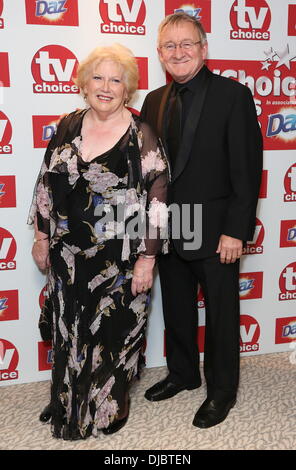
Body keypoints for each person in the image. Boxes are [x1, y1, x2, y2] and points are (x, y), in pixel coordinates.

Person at [28, 43, 168, 440]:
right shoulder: (68, 124)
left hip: (119, 256)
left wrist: (147, 260)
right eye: (98, 77)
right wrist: (41, 235)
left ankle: (110, 404)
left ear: (128, 89)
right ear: (84, 83)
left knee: (114, 332)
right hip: (67, 252)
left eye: (116, 80)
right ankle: (67, 398)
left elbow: (158, 201)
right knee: (68, 328)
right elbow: (45, 184)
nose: (105, 87)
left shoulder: (142, 134)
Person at [140, 12, 263, 429]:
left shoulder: (234, 95)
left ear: (203, 48)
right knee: (176, 307)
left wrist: (236, 231)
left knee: (222, 314)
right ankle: (183, 373)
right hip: (170, 228)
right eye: (169, 46)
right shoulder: (152, 100)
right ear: (160, 54)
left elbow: (247, 170)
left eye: (186, 43)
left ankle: (222, 391)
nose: (178, 52)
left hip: (217, 230)